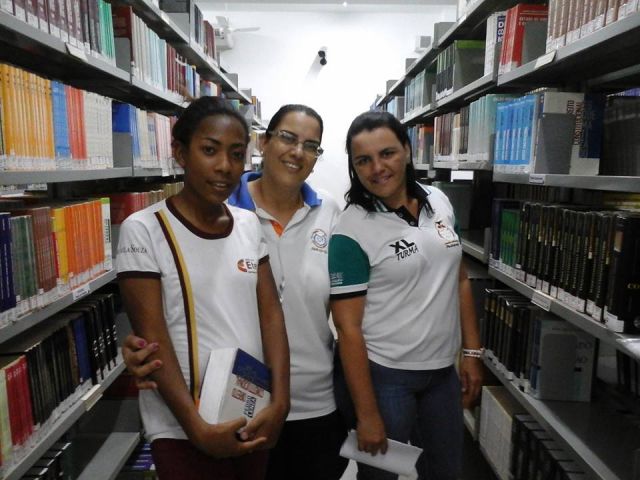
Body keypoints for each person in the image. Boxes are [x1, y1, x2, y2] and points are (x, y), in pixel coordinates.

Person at [122, 104, 349, 480]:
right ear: (180, 152)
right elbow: (153, 334)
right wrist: (197, 429)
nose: (224, 166)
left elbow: (271, 316)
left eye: (236, 154)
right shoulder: (146, 228)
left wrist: (279, 403)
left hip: (258, 410)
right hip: (184, 425)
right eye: (209, 150)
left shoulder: (253, 224)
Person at [329, 110, 483, 480]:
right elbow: (348, 329)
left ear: (408, 151)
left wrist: (472, 353)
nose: (377, 168)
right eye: (363, 160)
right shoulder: (350, 231)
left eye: (387, 153)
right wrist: (367, 414)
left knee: (445, 472)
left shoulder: (439, 201)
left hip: (441, 375)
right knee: (381, 476)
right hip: (385, 378)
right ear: (353, 167)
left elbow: (460, 279)